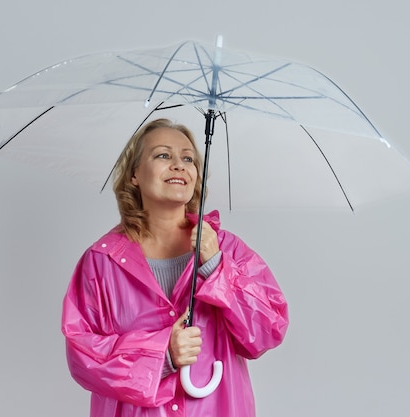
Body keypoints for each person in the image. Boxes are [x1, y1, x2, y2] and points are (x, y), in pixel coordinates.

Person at [61, 118, 289, 417]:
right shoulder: (102, 261)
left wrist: (217, 267)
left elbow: (266, 333)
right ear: (134, 175)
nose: (179, 165)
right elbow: (83, 357)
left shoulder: (227, 249)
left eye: (189, 158)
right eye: (163, 155)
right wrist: (161, 353)